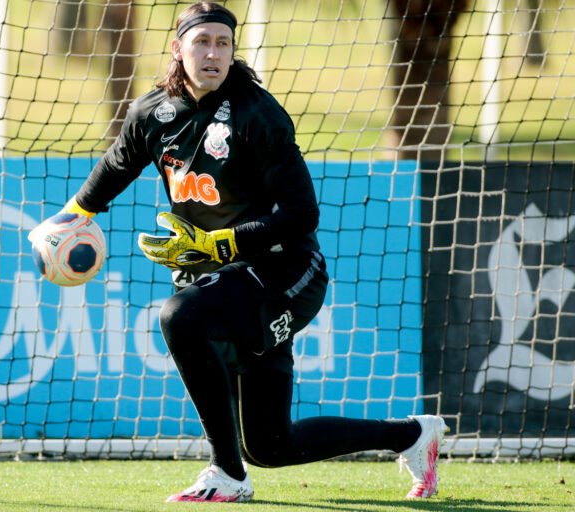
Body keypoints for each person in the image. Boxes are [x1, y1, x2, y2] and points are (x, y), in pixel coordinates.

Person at [54, 1, 448, 503]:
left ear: (233, 51)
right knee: (270, 444)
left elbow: (302, 214)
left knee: (181, 317)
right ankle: (413, 436)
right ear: (178, 49)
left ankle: (226, 474)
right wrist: (67, 221)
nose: (213, 53)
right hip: (227, 281)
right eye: (202, 42)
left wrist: (218, 243)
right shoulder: (152, 112)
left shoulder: (257, 114)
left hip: (288, 273)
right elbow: (113, 170)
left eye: (223, 43)